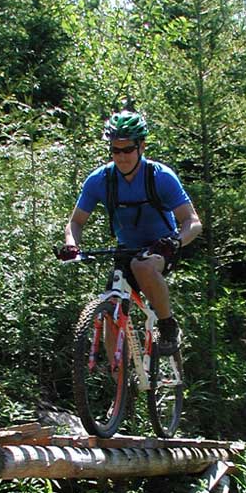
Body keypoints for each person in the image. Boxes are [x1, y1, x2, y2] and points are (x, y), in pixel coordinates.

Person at [58, 110, 202, 355]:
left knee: (142, 266)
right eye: (115, 150)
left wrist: (175, 242)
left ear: (141, 146)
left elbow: (192, 222)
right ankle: (123, 382)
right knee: (111, 311)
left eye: (127, 150)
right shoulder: (99, 180)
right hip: (126, 249)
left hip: (161, 246)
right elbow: (75, 223)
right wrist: (72, 245)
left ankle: (168, 326)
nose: (121, 157)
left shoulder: (161, 177)